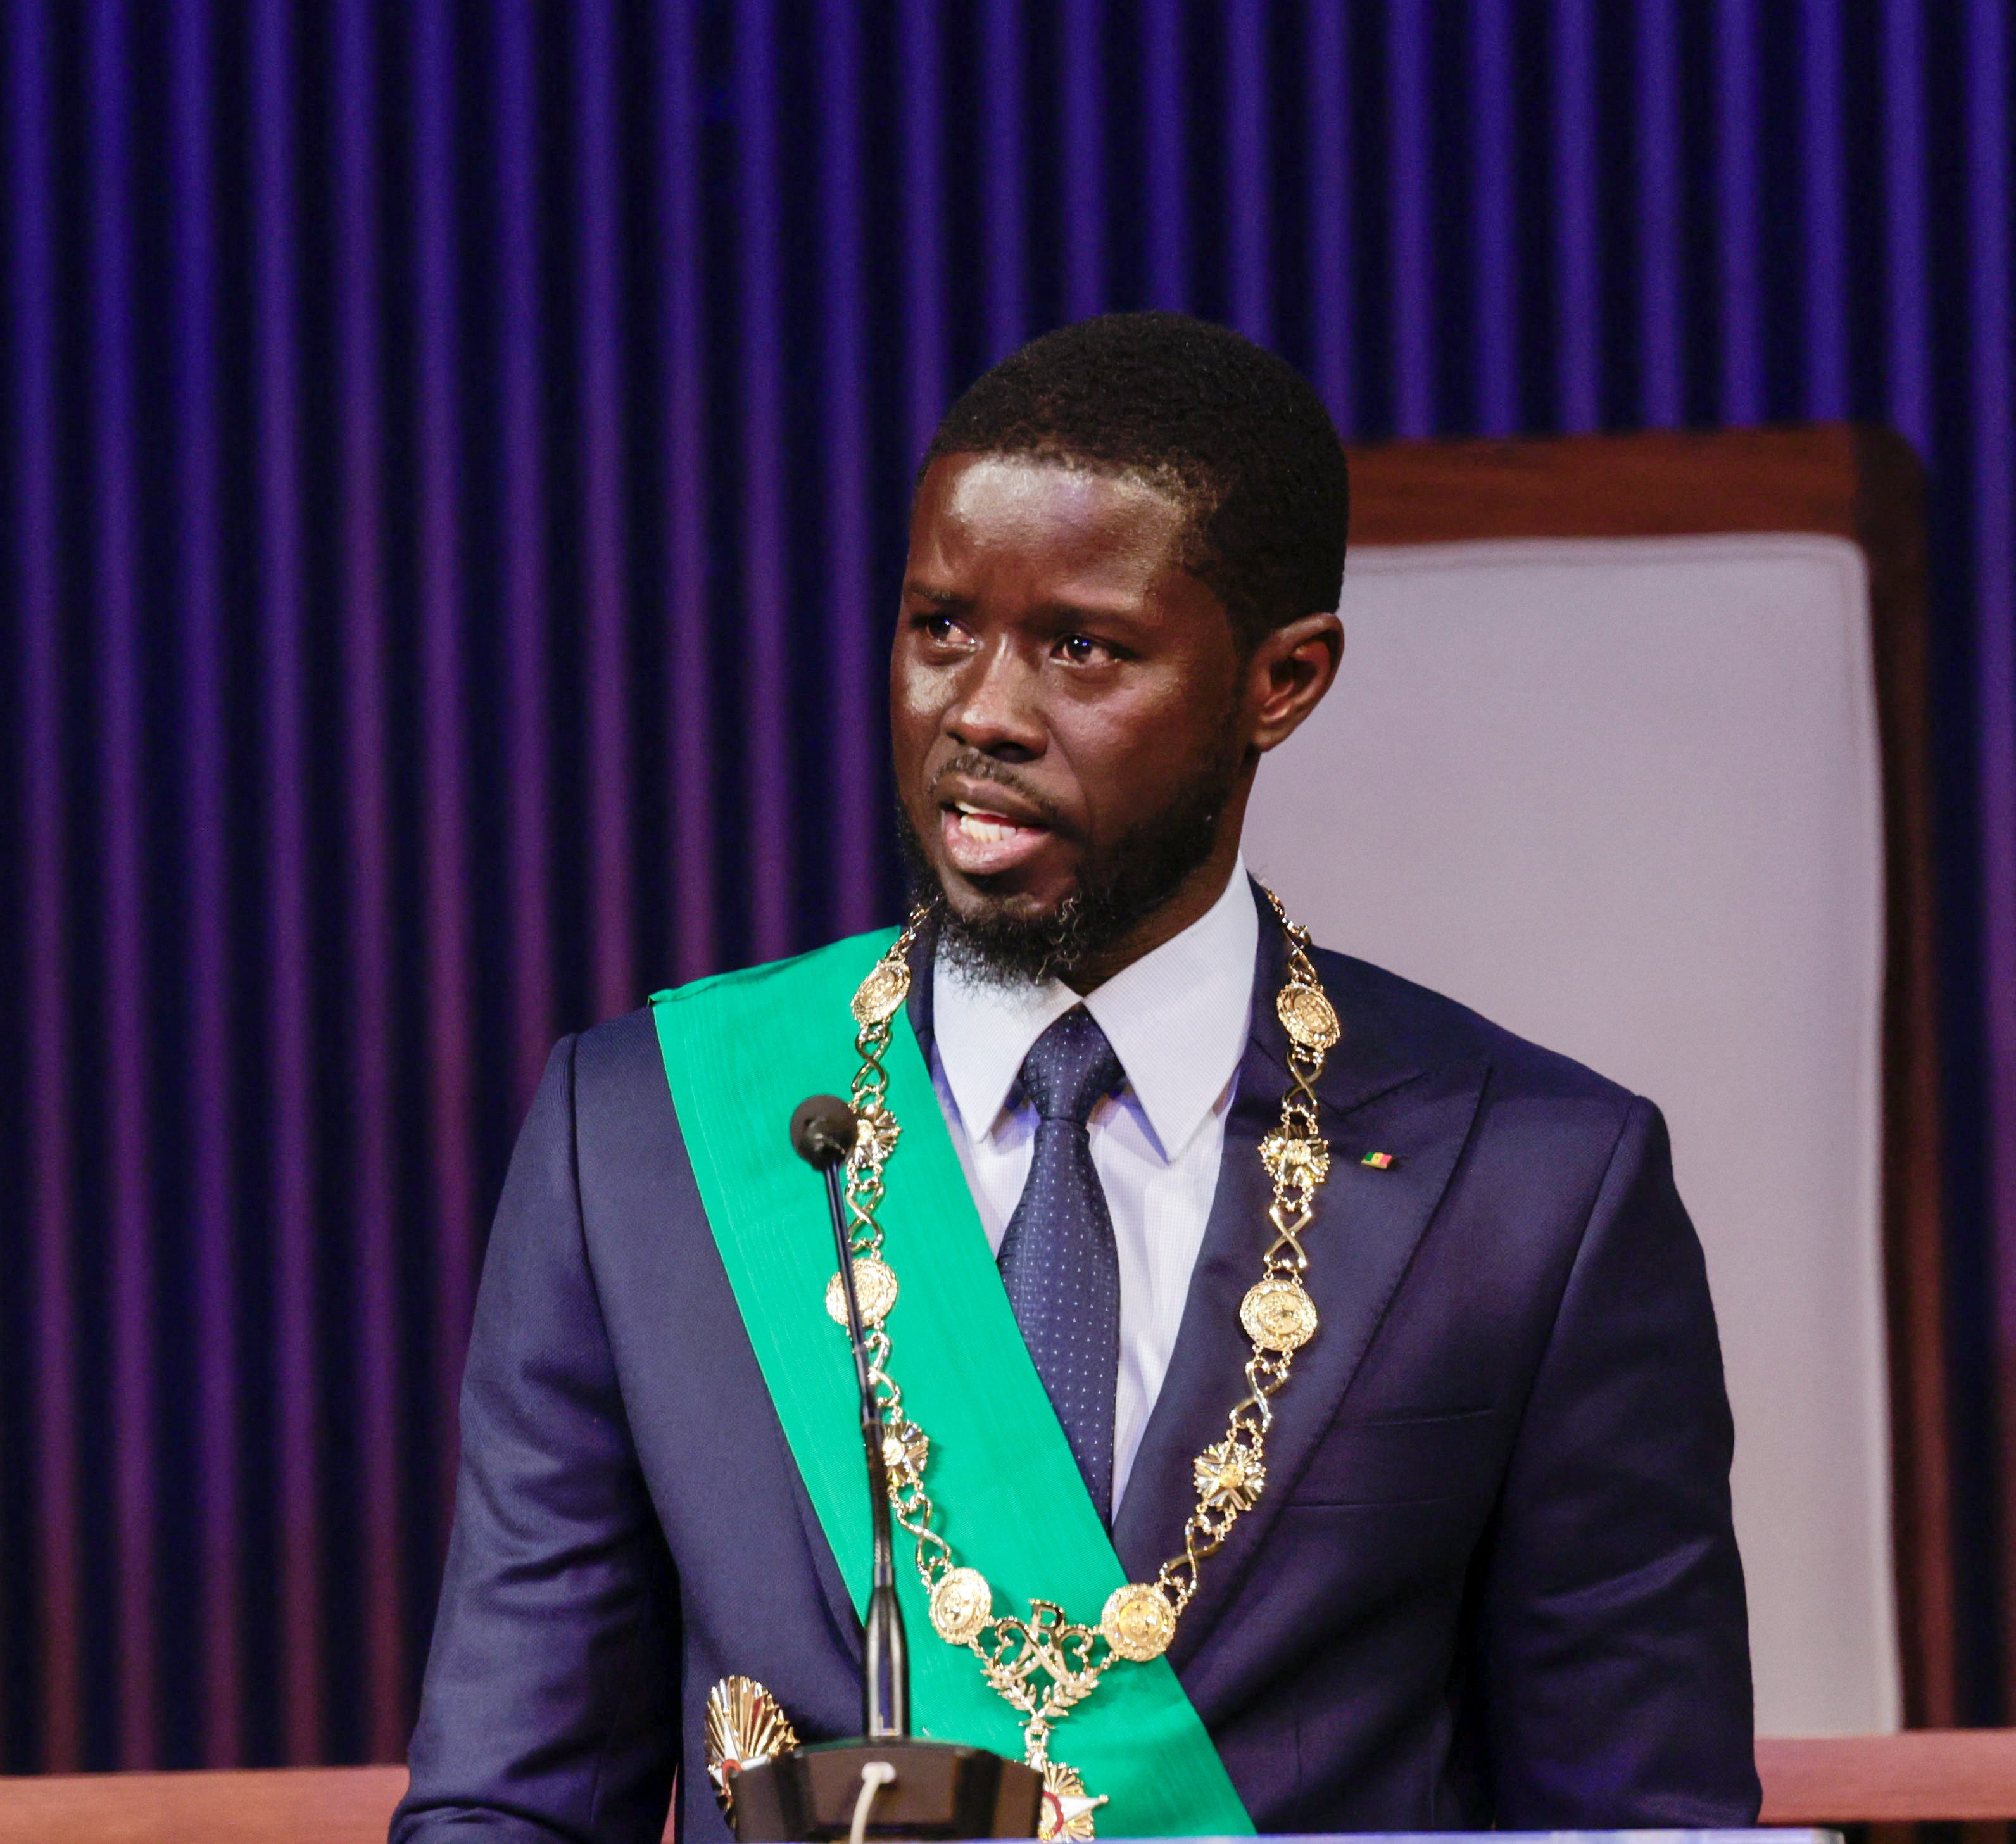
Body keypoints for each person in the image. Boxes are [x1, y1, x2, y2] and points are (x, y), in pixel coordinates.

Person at [393, 314, 1758, 1840]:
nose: (979, 711)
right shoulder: (643, 1131)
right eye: (937, 628)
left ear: (1280, 680)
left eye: (1081, 648)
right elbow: (507, 1803)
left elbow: (1641, 1814)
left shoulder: (1533, 1184)